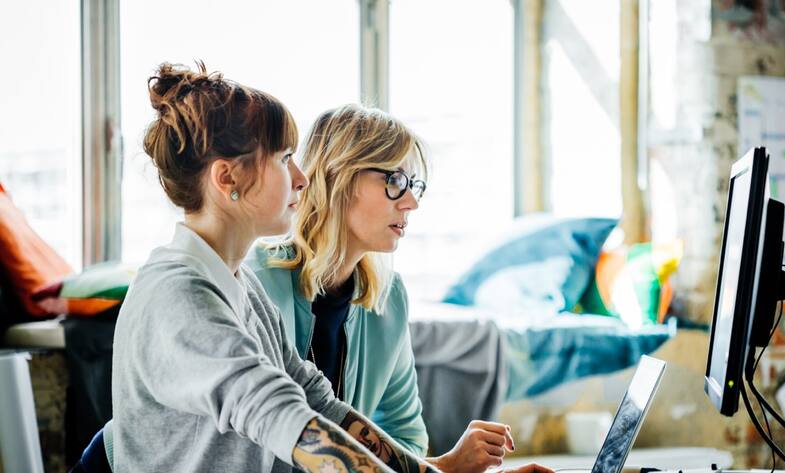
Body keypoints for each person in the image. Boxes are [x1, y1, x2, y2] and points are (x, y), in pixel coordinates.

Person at [108, 62, 439, 473]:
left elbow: (316, 402)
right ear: (228, 178)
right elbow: (280, 414)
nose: (302, 178)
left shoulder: (240, 285)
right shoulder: (180, 295)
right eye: (285, 159)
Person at [246, 104, 516, 473]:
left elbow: (405, 438)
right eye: (395, 182)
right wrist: (447, 468)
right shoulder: (256, 282)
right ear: (340, 177)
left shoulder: (388, 298)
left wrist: (445, 469)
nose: (412, 202)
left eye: (414, 185)